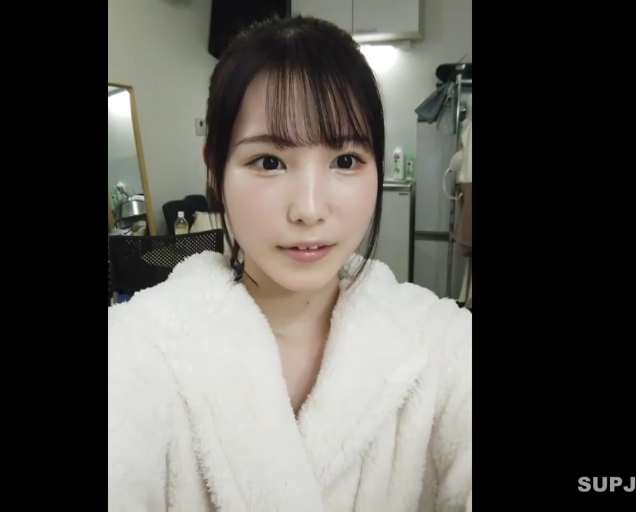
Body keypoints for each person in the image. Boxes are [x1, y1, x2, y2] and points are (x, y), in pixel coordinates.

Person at [108, 15, 472, 512]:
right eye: (269, 162)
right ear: (215, 171)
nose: (309, 209)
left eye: (345, 160)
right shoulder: (137, 348)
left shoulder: (444, 343)